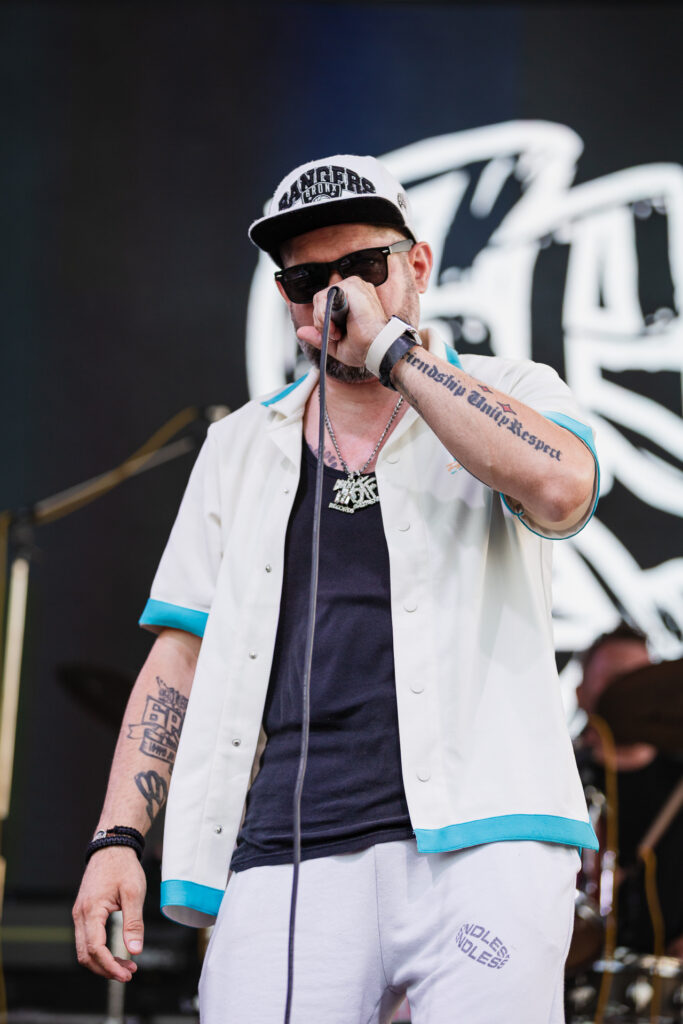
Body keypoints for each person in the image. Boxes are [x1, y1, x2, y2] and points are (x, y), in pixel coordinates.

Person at [73, 154, 601, 1024]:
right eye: (306, 280)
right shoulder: (240, 446)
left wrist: (394, 352)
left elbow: (560, 488)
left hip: (486, 840)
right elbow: (178, 656)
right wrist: (118, 837)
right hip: (290, 847)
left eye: (361, 267)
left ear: (417, 265)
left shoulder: (509, 391)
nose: (335, 296)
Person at [576, 624, 683, 959]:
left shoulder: (678, 780)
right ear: (580, 693)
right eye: (614, 679)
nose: (629, 692)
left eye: (640, 680)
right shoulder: (554, 776)